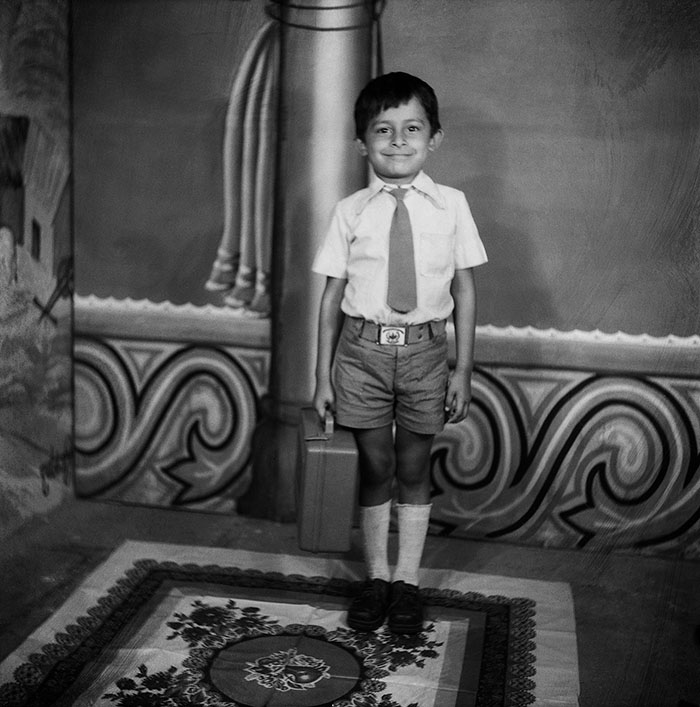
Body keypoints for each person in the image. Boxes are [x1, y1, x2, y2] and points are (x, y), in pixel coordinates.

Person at [312, 72, 487, 635]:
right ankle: (376, 578)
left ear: (434, 138)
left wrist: (463, 369)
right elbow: (331, 297)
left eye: (412, 128)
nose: (397, 140)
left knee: (412, 466)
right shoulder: (350, 210)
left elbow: (464, 290)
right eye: (382, 129)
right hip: (360, 353)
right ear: (361, 142)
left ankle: (407, 582)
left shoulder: (452, 206)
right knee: (376, 465)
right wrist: (322, 376)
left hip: (425, 355)